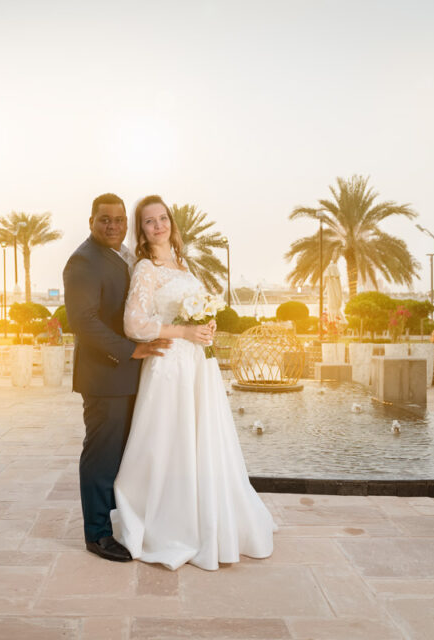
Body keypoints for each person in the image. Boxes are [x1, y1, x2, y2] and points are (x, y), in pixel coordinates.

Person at [111, 195, 277, 571]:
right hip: (169, 363)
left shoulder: (184, 265)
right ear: (141, 230)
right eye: (149, 221)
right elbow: (134, 324)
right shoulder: (146, 269)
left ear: (172, 221)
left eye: (163, 218)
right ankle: (169, 520)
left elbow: (196, 308)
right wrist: (184, 330)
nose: (158, 226)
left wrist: (206, 325)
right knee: (170, 437)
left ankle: (209, 513)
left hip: (197, 364)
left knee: (203, 436)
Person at [63, 193, 171, 563]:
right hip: (105, 378)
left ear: (127, 222)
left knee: (124, 455)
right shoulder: (83, 261)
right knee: (102, 456)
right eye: (104, 220)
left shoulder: (124, 255)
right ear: (90, 221)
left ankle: (118, 522)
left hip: (128, 376)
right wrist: (129, 351)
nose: (113, 226)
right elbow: (82, 321)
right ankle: (96, 534)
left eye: (119, 220)